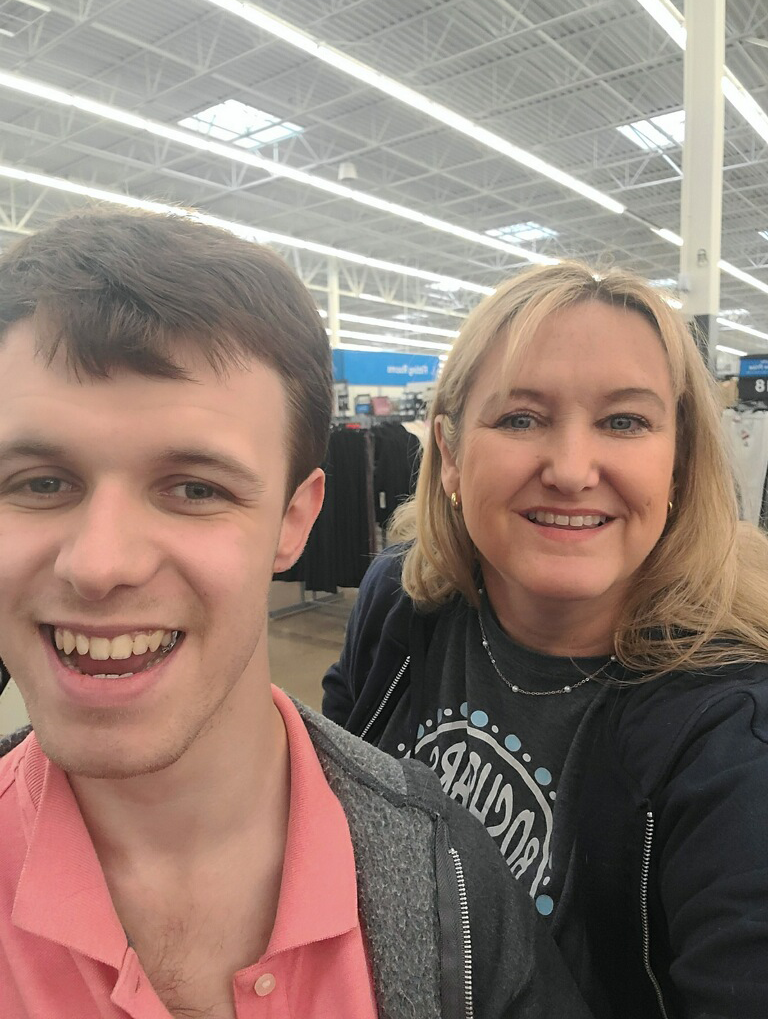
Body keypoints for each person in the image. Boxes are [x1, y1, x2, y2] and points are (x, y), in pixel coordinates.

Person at [0, 209, 592, 1019]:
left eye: (194, 489)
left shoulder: (450, 880)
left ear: (295, 520)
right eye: (40, 482)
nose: (100, 565)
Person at [323, 261, 768, 1019]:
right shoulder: (399, 605)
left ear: (679, 461)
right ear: (452, 454)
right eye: (521, 418)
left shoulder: (732, 732)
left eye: (624, 421)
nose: (569, 469)